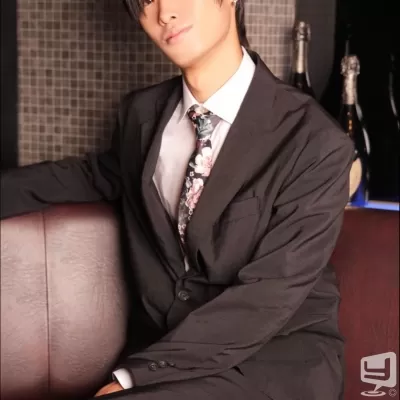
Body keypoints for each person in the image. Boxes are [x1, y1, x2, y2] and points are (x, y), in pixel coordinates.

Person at [0, 0, 355, 399]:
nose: (165, 12)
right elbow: (94, 176)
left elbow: (268, 296)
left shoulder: (314, 142)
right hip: (167, 349)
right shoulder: (142, 114)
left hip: (274, 360)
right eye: (147, 0)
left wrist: (132, 378)